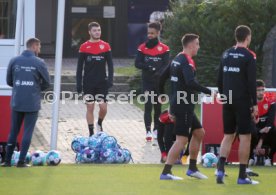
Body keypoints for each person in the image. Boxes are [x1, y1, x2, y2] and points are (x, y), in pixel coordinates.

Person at [160, 33, 214, 180]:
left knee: (199, 133)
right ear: (190, 45)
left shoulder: (177, 58)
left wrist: (168, 100)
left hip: (183, 105)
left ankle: (192, 168)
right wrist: (210, 92)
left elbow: (162, 78)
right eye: (197, 44)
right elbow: (190, 82)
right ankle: (166, 172)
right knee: (181, 140)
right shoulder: (186, 61)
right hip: (183, 106)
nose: (198, 46)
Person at [216, 25, 259, 184]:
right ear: (248, 37)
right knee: (245, 137)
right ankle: (242, 176)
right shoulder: (249, 55)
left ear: (236, 37)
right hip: (242, 101)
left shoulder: (226, 53)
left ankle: (220, 169)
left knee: (228, 135)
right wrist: (254, 104)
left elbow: (219, 79)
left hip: (227, 99)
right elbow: (251, 82)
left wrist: (223, 96)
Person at [1, 38, 50, 167]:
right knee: (27, 132)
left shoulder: (14, 60)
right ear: (34, 47)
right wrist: (34, 89)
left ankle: (7, 161)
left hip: (17, 101)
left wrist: (20, 87)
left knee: (13, 131)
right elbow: (47, 83)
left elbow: (9, 81)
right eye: (39, 47)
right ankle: (21, 161)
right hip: (31, 102)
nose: (39, 50)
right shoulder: (39, 62)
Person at [76, 22, 114, 136]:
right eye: (95, 30)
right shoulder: (84, 47)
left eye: (99, 30)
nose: (97, 32)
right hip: (88, 83)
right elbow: (79, 68)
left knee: (103, 108)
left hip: (102, 83)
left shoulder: (106, 46)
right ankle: (91, 132)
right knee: (90, 107)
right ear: (89, 32)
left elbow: (111, 65)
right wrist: (79, 84)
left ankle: (99, 123)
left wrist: (110, 80)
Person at [135, 22, 170, 141]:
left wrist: (158, 72)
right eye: (148, 33)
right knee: (148, 105)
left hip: (159, 83)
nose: (149, 35)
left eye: (152, 33)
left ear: (158, 33)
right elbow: (137, 63)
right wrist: (149, 67)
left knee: (158, 107)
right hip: (147, 82)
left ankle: (156, 129)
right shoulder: (142, 47)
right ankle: (148, 131)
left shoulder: (164, 48)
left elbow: (166, 65)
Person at [249, 79, 276, 166]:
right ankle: (251, 157)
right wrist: (258, 132)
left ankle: (269, 158)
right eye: (258, 90)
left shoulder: (271, 102)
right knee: (245, 131)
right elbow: (250, 122)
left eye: (262, 90)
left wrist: (261, 140)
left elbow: (270, 123)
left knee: (273, 130)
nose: (261, 92)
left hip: (266, 133)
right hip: (255, 131)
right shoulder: (249, 103)